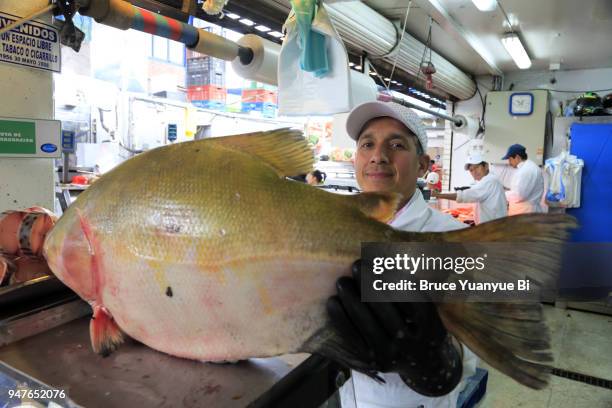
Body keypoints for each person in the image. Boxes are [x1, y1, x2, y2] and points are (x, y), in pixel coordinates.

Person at [328, 101, 478, 408]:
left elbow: (473, 348)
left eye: (396, 145)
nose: (378, 156)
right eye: (367, 144)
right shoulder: (332, 230)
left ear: (423, 165)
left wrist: (433, 357)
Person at [433, 153, 508, 224]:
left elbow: (466, 195)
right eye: (471, 170)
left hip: (493, 228)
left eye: (477, 167)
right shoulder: (487, 180)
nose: (474, 172)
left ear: (486, 166)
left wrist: (439, 195)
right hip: (492, 225)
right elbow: (472, 191)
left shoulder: (490, 181)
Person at [502, 144, 545, 215]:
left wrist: (502, 193)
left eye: (510, 159)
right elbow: (521, 189)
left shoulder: (526, 170)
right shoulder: (527, 167)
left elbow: (519, 195)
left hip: (526, 212)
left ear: (517, 157)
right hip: (524, 211)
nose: (509, 163)